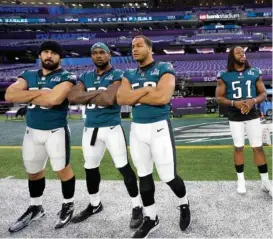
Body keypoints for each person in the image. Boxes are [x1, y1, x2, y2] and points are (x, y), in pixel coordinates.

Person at [117, 35, 191, 238]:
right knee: (143, 174)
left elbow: (162, 97)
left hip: (159, 128)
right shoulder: (128, 73)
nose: (134, 49)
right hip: (137, 129)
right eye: (132, 46)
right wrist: (147, 89)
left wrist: (137, 94)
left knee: (168, 175)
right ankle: (151, 218)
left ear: (150, 49)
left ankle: (183, 203)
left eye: (139, 45)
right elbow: (122, 99)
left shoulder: (164, 67)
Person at [67, 42, 143, 229]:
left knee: (124, 168)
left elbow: (109, 99)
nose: (98, 56)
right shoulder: (86, 75)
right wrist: (99, 93)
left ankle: (137, 206)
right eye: (94, 53)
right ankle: (95, 204)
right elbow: (72, 97)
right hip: (90, 129)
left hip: (111, 129)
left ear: (110, 55)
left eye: (102, 52)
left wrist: (87, 95)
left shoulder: (118, 75)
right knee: (90, 168)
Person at [5, 40, 77, 232]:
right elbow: (10, 95)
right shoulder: (28, 74)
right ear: (40, 55)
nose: (49, 55)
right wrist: (40, 94)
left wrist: (29, 93)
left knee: (62, 169)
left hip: (56, 131)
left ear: (60, 56)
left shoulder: (67, 76)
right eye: (45, 52)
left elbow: (54, 99)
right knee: (33, 171)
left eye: (54, 53)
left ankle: (68, 204)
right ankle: (36, 206)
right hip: (32, 132)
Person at [216, 46, 272, 197]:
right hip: (235, 116)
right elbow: (219, 97)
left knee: (258, 147)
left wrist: (253, 101)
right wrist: (235, 103)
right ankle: (241, 180)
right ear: (232, 56)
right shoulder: (224, 75)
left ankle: (265, 181)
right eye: (238, 52)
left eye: (243, 52)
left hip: (252, 114)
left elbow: (263, 93)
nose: (242, 53)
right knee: (239, 147)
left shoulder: (254, 72)